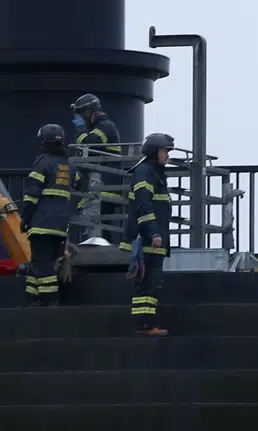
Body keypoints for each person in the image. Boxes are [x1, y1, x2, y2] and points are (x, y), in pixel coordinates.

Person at [119, 133, 175, 336]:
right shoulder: (145, 172)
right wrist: (153, 233)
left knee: (152, 283)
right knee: (147, 283)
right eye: (164, 151)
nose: (167, 155)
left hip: (155, 239)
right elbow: (144, 205)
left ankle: (146, 324)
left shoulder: (154, 173)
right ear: (154, 152)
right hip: (149, 240)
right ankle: (144, 325)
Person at [20, 123, 74, 306]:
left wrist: (24, 219)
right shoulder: (68, 165)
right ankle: (31, 299)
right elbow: (80, 183)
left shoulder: (42, 163)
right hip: (60, 226)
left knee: (43, 267)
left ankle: (50, 301)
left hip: (41, 224)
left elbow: (32, 195)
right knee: (37, 264)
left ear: (44, 141)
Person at [71, 94, 123, 242]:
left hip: (104, 186)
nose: (82, 119)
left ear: (89, 112)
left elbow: (90, 145)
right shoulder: (98, 127)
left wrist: (81, 129)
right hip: (99, 186)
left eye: (82, 115)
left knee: (98, 226)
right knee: (99, 228)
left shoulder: (105, 126)